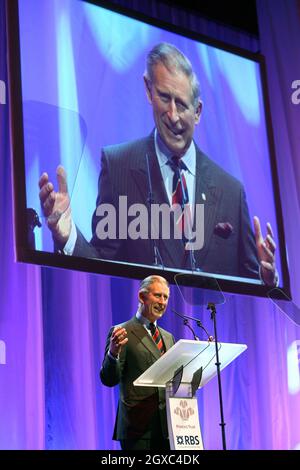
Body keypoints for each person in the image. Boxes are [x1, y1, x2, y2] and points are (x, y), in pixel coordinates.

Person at [39, 42, 277, 286]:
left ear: (198, 111)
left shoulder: (231, 192)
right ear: (149, 91)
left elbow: (249, 287)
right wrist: (68, 235)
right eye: (165, 98)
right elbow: (103, 268)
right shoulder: (119, 166)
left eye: (182, 105)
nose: (173, 115)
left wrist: (266, 280)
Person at [100, 275, 175, 450]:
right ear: (142, 297)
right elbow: (108, 379)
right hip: (137, 429)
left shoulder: (168, 337)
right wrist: (113, 353)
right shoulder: (122, 331)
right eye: (157, 295)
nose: (162, 302)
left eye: (166, 297)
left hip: (166, 427)